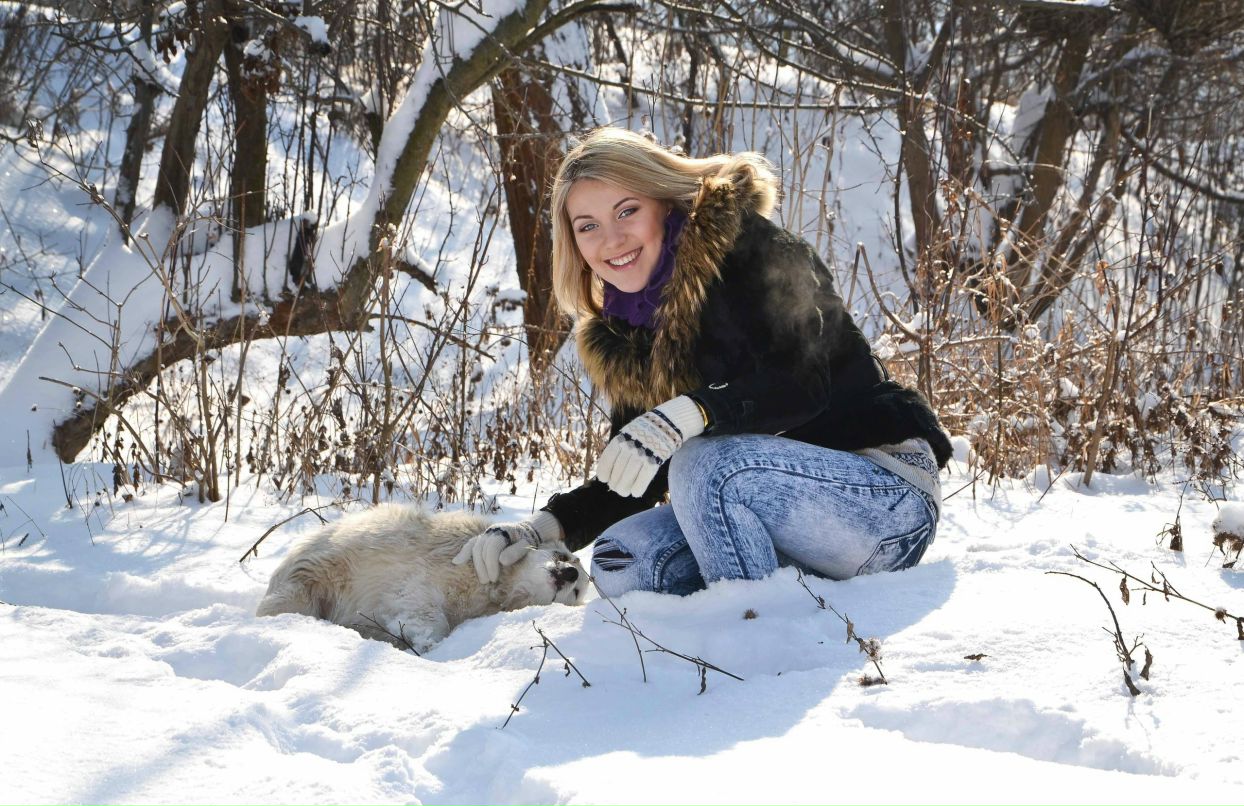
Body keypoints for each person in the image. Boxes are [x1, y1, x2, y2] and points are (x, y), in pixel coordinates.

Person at [453, 126, 952, 597]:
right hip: (775, 511)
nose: (611, 240)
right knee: (621, 558)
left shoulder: (751, 250)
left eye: (627, 211)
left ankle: (753, 626)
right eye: (588, 226)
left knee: (701, 461)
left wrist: (694, 412)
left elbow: (803, 384)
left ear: (665, 202)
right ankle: (790, 587)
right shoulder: (631, 329)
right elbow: (634, 479)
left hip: (881, 495)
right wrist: (540, 529)